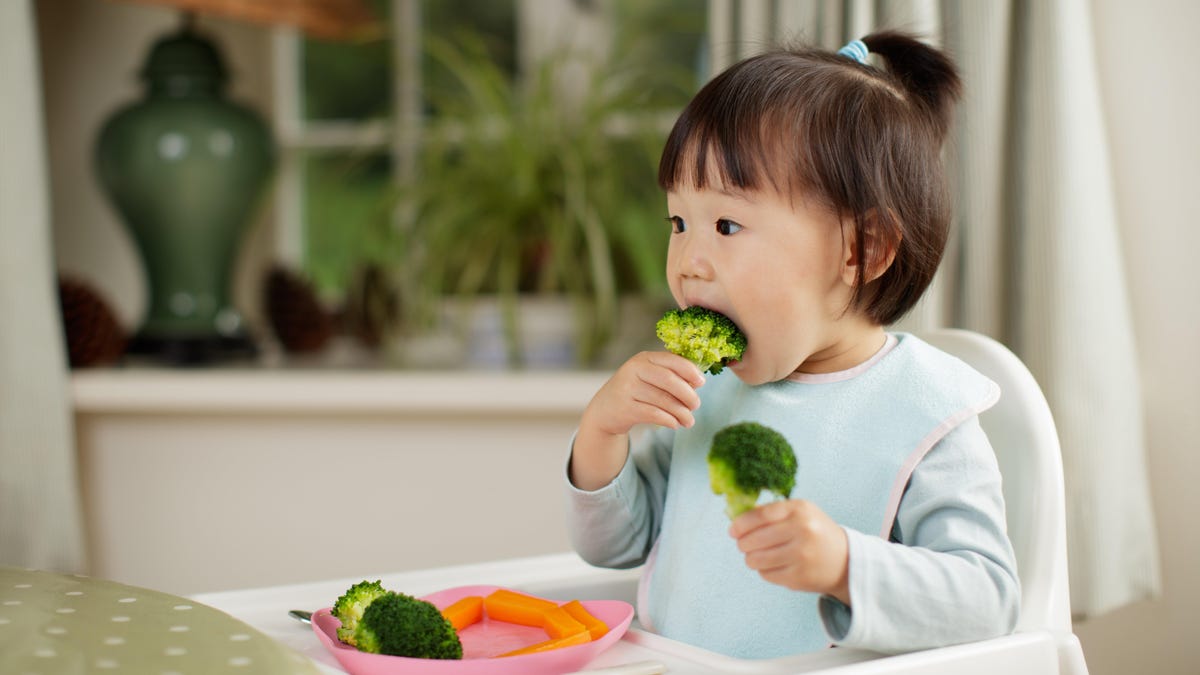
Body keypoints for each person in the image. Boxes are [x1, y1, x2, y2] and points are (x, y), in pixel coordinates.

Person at [564, 31, 1020, 659]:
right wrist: (602, 433)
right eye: (678, 222)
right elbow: (616, 544)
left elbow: (988, 599)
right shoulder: (710, 389)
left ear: (863, 250)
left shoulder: (928, 413)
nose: (688, 262)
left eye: (726, 224)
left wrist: (845, 566)